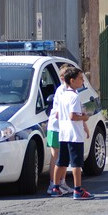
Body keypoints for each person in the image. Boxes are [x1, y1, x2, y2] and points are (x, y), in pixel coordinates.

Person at [51, 66, 94, 200]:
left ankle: (55, 187)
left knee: (61, 162)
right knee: (76, 164)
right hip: (74, 134)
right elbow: (73, 116)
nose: (82, 81)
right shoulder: (74, 96)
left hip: (63, 133)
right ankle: (78, 190)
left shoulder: (63, 95)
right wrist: (84, 117)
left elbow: (58, 114)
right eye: (80, 79)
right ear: (72, 80)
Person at [46, 64, 74, 195]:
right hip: (56, 127)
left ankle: (62, 182)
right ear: (63, 77)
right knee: (56, 156)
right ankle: (53, 184)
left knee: (64, 157)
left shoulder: (71, 90)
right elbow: (58, 113)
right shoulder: (61, 90)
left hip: (64, 127)